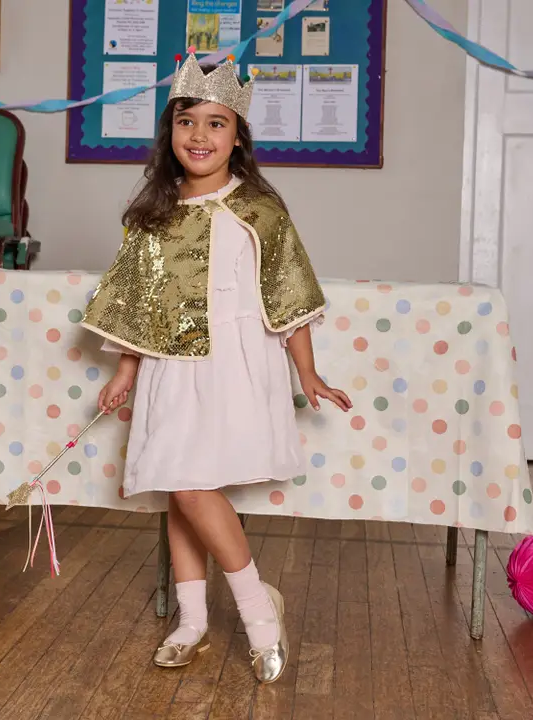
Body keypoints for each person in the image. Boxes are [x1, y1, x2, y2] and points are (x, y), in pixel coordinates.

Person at [81, 49, 352, 684]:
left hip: (235, 364)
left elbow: (288, 296)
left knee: (192, 486)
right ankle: (193, 620)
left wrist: (307, 374)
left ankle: (258, 614)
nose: (199, 135)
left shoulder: (260, 211)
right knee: (180, 485)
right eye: (186, 121)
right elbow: (139, 302)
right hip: (171, 367)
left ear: (238, 136)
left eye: (215, 123)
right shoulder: (154, 215)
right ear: (170, 132)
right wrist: (125, 372)